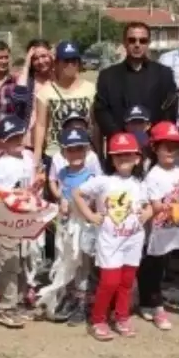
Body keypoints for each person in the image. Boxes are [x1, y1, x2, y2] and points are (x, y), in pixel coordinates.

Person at [72, 132, 153, 342]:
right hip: (110, 241)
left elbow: (149, 205)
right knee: (109, 282)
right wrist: (90, 215)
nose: (123, 159)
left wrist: (149, 212)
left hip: (133, 241)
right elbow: (77, 194)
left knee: (126, 282)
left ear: (137, 158)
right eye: (118, 156)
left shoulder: (140, 183)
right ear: (112, 159)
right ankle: (98, 319)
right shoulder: (103, 181)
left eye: (128, 155)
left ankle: (122, 317)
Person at [141, 122, 179, 330]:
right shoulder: (153, 175)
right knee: (157, 270)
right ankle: (157, 309)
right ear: (155, 148)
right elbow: (155, 205)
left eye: (175, 147)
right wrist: (168, 206)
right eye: (166, 146)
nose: (171, 151)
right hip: (161, 232)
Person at [0, 115, 37, 329]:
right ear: (2, 142)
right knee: (8, 262)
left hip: (25, 219)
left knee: (23, 262)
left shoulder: (28, 156)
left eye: (19, 136)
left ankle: (18, 302)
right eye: (11, 139)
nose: (17, 141)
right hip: (7, 219)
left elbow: (31, 185)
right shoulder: (1, 164)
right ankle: (6, 307)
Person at [94, 22, 178, 138]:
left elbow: (170, 112)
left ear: (148, 43)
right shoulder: (107, 76)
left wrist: (155, 138)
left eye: (142, 41)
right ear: (124, 42)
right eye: (132, 40)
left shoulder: (164, 74)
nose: (137, 45)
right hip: (119, 147)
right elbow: (102, 112)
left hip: (154, 145)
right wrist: (120, 138)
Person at [51, 127, 100, 326]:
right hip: (66, 227)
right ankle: (70, 299)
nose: (76, 154)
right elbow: (62, 195)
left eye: (80, 149)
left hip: (83, 227)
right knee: (66, 262)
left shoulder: (91, 176)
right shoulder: (62, 173)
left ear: (87, 150)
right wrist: (62, 203)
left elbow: (93, 202)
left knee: (83, 265)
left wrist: (74, 205)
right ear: (64, 153)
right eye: (71, 150)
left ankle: (83, 303)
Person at [32, 41, 97, 162]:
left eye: (74, 60)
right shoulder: (45, 92)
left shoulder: (91, 89)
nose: (70, 64)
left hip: (84, 153)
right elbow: (41, 125)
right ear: (56, 63)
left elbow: (96, 124)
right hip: (56, 154)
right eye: (66, 61)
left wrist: (97, 150)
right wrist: (37, 155)